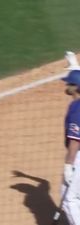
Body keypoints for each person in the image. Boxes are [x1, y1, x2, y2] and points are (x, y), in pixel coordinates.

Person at [60, 55, 80, 225]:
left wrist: (69, 165)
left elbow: (75, 141)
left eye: (69, 83)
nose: (66, 85)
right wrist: (75, 66)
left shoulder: (76, 109)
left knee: (69, 200)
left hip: (79, 158)